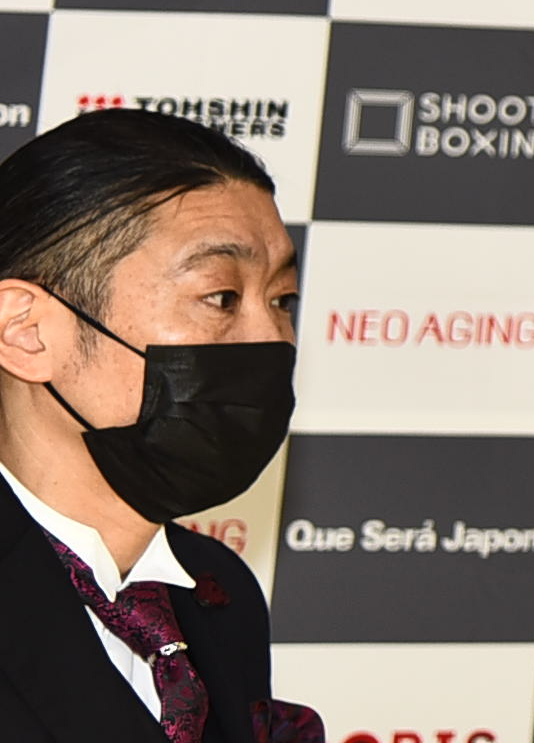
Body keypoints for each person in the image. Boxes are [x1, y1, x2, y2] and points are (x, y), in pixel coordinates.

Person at [0, 109, 315, 743]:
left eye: (281, 300)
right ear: (26, 332)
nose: (270, 339)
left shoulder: (218, 591)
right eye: (220, 297)